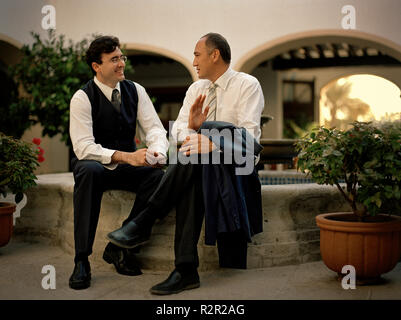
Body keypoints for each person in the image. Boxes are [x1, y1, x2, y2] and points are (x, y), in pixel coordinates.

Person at [107, 32, 265, 295]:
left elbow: (251, 143)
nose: (193, 62)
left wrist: (214, 144)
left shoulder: (247, 85)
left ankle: (148, 226)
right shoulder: (196, 89)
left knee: (195, 157)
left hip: (237, 168)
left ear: (215, 55)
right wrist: (194, 128)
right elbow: (177, 133)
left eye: (197, 55)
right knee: (194, 164)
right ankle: (184, 268)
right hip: (200, 166)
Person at [68, 35, 168, 290]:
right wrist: (126, 156)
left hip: (127, 165)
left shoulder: (136, 90)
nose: (121, 63)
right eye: (114, 59)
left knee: (160, 177)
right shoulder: (82, 97)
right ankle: (81, 260)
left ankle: (119, 245)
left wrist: (156, 153)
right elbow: (83, 147)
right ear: (96, 66)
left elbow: (155, 129)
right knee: (89, 171)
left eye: (121, 57)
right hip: (94, 163)